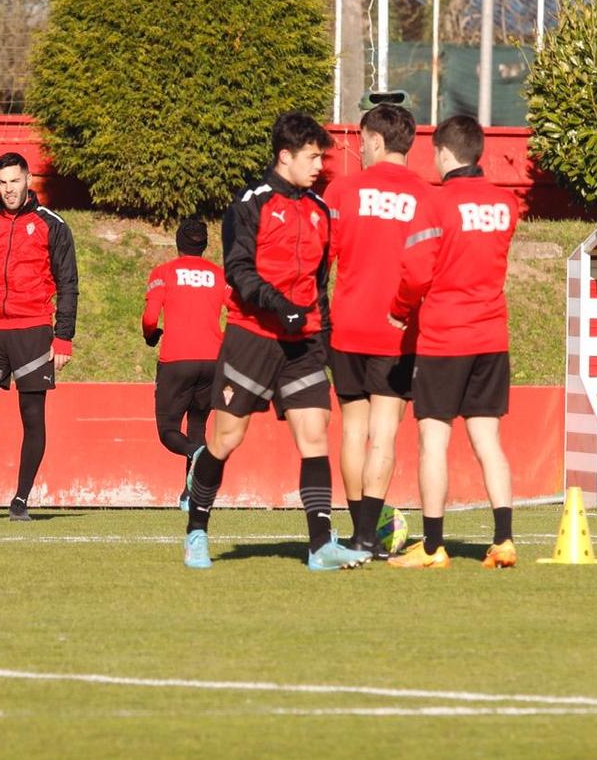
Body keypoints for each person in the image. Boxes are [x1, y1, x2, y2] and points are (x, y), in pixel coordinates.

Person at [183, 112, 366, 572]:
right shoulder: (250, 204)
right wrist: (275, 302)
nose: (319, 166)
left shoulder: (321, 211)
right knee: (226, 438)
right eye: (311, 158)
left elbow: (321, 284)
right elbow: (239, 270)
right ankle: (196, 532)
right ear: (284, 157)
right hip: (252, 336)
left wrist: (323, 339)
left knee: (314, 433)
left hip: (301, 343)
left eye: (322, 158)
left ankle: (320, 545)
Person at [387, 112, 518, 569]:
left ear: (442, 153)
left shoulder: (436, 203)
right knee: (488, 440)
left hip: (444, 336)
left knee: (433, 441)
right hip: (491, 335)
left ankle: (431, 546)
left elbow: (416, 271)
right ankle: (504, 539)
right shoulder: (506, 205)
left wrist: (399, 310)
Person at [0, 151, 79, 522]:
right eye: (2, 183)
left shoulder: (53, 225)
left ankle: (20, 501)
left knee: (32, 416)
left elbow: (68, 284)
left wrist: (64, 337)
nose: (9, 189)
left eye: (15, 181)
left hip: (34, 332)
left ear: (28, 179)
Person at [324, 102, 431, 555]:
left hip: (346, 326)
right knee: (384, 433)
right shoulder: (429, 196)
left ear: (376, 140)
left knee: (352, 430)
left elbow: (318, 261)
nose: (359, 149)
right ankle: (370, 533)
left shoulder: (341, 192)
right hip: (399, 331)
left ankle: (356, 530)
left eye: (362, 141)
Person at [142, 218, 228, 508]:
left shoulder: (164, 272)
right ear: (203, 245)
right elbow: (241, 311)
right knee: (197, 425)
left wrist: (150, 335)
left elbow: (151, 317)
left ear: (179, 242)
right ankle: (191, 495)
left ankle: (200, 453)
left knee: (168, 431)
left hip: (176, 361)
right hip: (213, 361)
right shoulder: (218, 275)